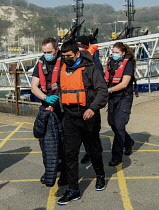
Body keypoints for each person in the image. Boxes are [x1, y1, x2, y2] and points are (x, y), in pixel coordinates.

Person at [53, 40, 108, 205]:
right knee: (70, 153)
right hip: (70, 116)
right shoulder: (62, 69)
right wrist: (52, 104)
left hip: (88, 115)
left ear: (77, 54)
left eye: (69, 56)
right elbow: (59, 88)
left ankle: (100, 175)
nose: (66, 59)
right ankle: (73, 190)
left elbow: (102, 91)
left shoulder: (90, 68)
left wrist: (93, 108)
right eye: (63, 56)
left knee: (93, 150)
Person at [31, 37, 67, 186]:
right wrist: (46, 98)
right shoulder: (40, 63)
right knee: (45, 142)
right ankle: (50, 169)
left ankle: (65, 171)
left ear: (56, 50)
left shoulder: (64, 62)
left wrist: (56, 100)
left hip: (62, 107)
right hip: (46, 105)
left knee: (63, 141)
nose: (47, 54)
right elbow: (34, 86)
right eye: (44, 52)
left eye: (50, 52)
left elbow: (67, 85)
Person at [104, 42, 135, 166]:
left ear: (123, 53)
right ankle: (128, 142)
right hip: (112, 98)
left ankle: (117, 157)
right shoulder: (110, 63)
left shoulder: (128, 64)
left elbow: (124, 84)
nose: (114, 54)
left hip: (124, 97)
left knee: (119, 125)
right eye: (113, 52)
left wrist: (108, 90)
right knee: (112, 123)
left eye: (117, 52)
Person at [75, 35, 104, 164]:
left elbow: (100, 84)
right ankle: (88, 152)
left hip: (91, 103)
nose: (79, 49)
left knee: (93, 134)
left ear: (87, 47)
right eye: (78, 46)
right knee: (83, 134)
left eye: (82, 46)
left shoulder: (94, 62)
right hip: (77, 104)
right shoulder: (73, 61)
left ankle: (96, 155)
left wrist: (94, 105)